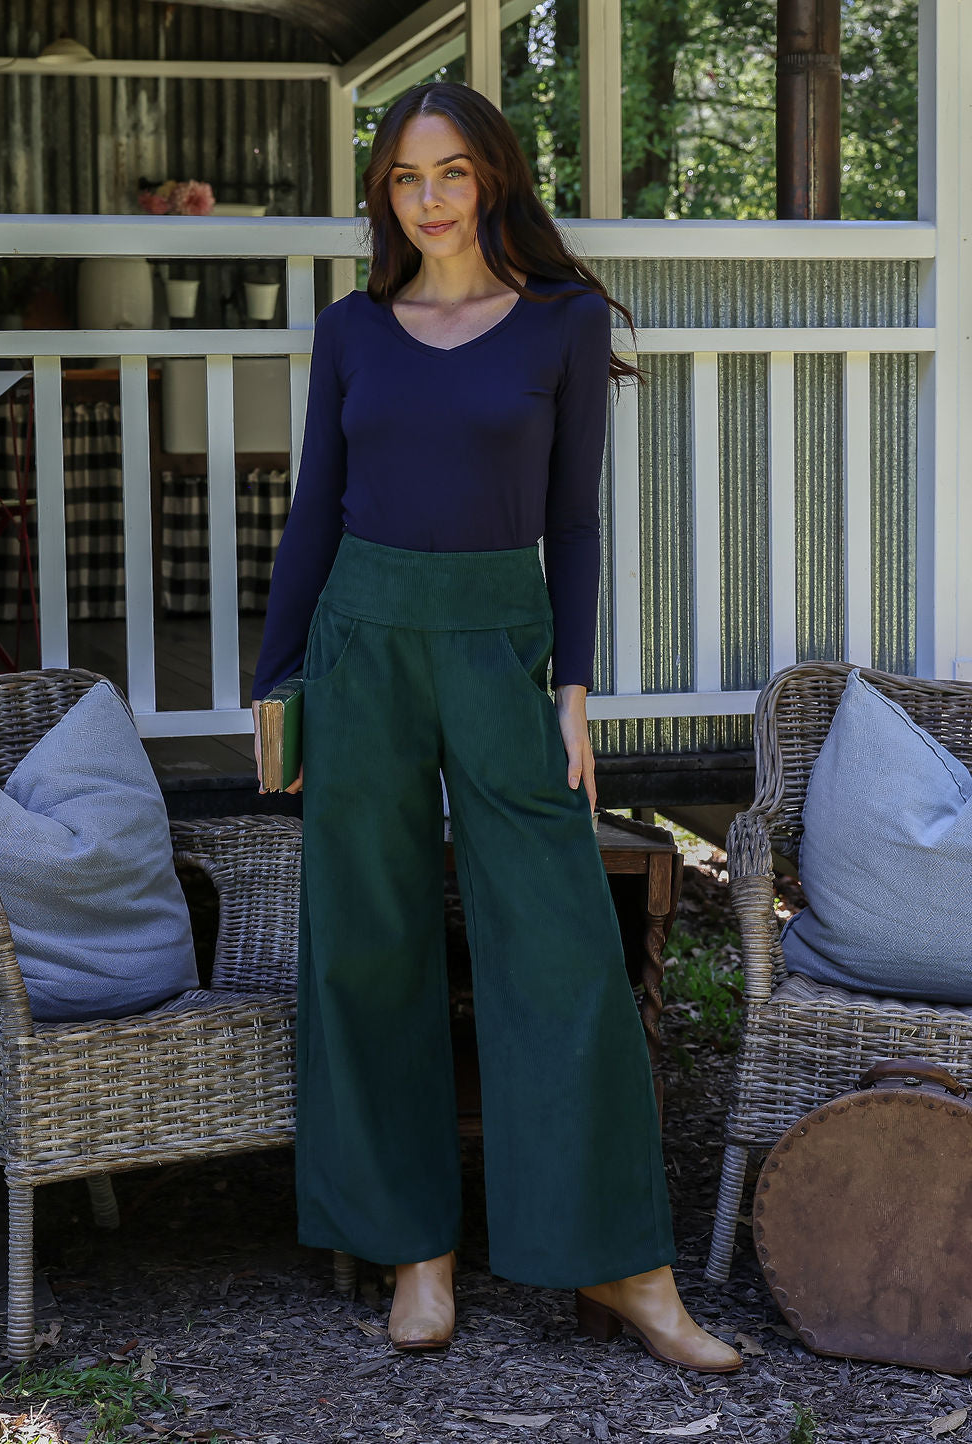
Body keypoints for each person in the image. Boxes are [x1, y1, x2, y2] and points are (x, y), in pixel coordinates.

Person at [251, 80, 741, 1374]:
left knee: (564, 946)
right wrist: (275, 683)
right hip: (360, 642)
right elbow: (314, 511)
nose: (429, 201)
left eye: (452, 173)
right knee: (370, 944)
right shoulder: (353, 330)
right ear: (385, 194)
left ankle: (624, 1264)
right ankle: (415, 1251)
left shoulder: (562, 322)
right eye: (406, 179)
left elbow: (571, 521)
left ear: (493, 179)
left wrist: (573, 688)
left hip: (502, 644)